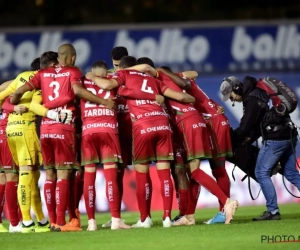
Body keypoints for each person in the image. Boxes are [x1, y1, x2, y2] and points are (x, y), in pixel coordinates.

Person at [10, 44, 115, 232]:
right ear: (73, 58)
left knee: (49, 175)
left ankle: (52, 221)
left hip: (46, 130)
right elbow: (77, 91)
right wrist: (104, 101)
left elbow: (17, 93)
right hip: (63, 127)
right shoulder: (73, 71)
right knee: (63, 175)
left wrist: (14, 100)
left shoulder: (42, 74)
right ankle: (60, 222)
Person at [85, 55, 195, 228]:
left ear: (122, 67)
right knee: (164, 173)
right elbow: (184, 97)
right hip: (163, 126)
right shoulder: (154, 80)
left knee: (141, 172)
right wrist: (184, 99)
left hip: (141, 127)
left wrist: (92, 76)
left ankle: (145, 219)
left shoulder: (123, 77)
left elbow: (106, 85)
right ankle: (167, 217)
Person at [129, 61, 238, 226]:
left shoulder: (159, 81)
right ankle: (190, 216)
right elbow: (193, 74)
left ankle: (225, 204)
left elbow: (182, 94)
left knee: (195, 172)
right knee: (211, 169)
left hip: (199, 122)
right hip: (208, 119)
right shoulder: (177, 79)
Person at [220, 76, 300, 221]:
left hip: (276, 137)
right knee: (291, 173)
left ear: (236, 89)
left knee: (261, 172)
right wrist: (249, 138)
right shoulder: (259, 91)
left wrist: (234, 139)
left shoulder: (251, 99)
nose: (232, 100)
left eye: (231, 96)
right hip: (290, 133)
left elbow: (245, 127)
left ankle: (273, 211)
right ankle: (272, 210)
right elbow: (259, 124)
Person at [0, 58, 50, 233]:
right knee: (22, 175)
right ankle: (23, 222)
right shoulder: (40, 80)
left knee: (32, 176)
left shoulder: (20, 77)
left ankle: (41, 221)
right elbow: (35, 106)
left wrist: (11, 107)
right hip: (22, 129)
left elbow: (3, 97)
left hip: (11, 131)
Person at [81, 60, 130, 230]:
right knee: (111, 177)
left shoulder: (82, 82)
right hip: (108, 130)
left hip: (88, 132)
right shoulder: (112, 82)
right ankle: (116, 220)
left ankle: (91, 222)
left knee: (89, 177)